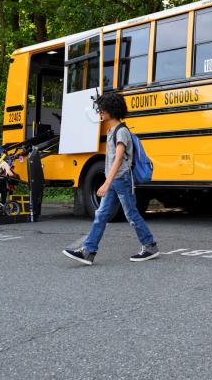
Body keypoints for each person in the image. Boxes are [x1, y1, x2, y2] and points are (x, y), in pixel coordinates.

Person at [63, 92, 159, 266]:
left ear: (111, 110)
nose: (100, 111)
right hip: (115, 180)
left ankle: (149, 245)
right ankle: (88, 251)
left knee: (131, 214)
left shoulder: (121, 132)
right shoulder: (111, 130)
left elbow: (119, 159)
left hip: (121, 180)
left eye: (103, 108)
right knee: (101, 215)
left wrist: (107, 183)